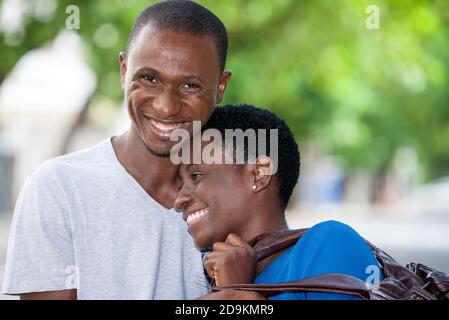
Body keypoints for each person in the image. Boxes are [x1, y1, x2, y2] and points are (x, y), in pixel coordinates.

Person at [2, 1, 232, 299]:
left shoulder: (233, 197)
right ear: (124, 71)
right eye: (149, 78)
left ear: (220, 88)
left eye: (190, 86)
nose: (166, 106)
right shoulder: (58, 189)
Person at [174, 104, 383, 300]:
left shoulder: (329, 244)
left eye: (196, 175)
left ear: (259, 174)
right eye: (180, 184)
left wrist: (237, 294)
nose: (179, 200)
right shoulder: (211, 275)